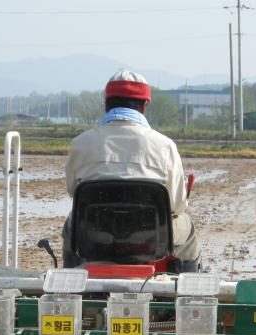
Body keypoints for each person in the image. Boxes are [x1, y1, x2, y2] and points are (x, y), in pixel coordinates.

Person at [63, 70, 201, 271]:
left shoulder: (80, 143)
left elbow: (72, 192)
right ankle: (185, 284)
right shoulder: (164, 146)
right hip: (150, 237)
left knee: (71, 223)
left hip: (96, 235)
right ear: (144, 106)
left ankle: (71, 279)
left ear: (106, 105)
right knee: (187, 227)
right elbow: (177, 205)